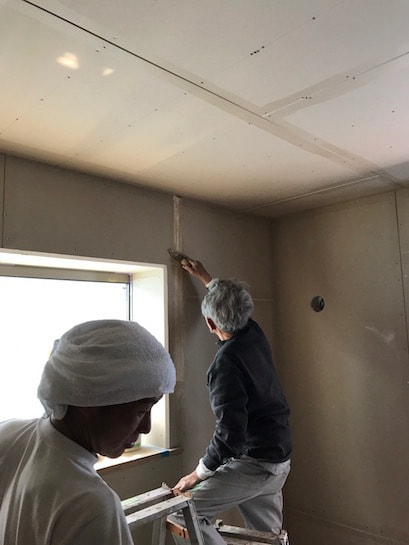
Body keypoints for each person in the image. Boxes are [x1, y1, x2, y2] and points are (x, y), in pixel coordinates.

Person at [0, 319, 176, 545]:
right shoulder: (91, 506)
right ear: (90, 403)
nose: (146, 427)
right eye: (141, 412)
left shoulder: (9, 434)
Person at [173, 258, 292, 545]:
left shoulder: (224, 366)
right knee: (265, 538)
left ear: (210, 323)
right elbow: (234, 308)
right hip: (279, 458)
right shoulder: (254, 334)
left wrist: (198, 473)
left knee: (181, 515)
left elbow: (230, 435)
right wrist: (207, 279)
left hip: (255, 465)